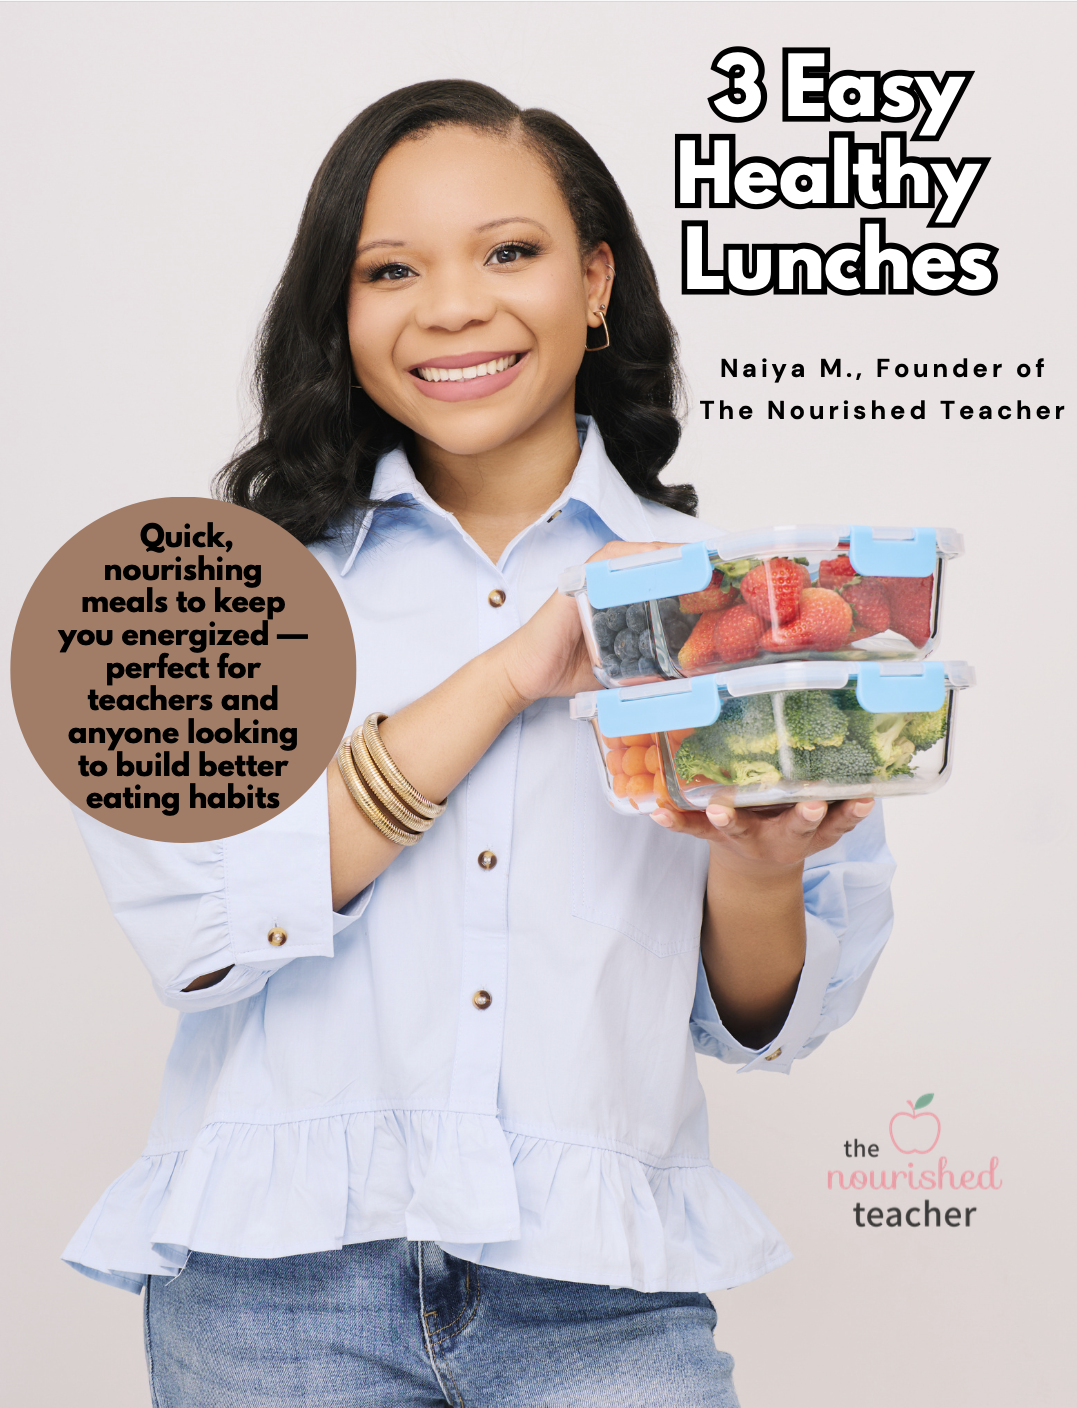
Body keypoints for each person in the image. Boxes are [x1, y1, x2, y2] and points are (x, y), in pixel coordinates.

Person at [64, 81, 894, 1406]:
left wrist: (757, 864)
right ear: (341, 309)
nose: (451, 306)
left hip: (601, 1297)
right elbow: (202, 925)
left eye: (510, 251)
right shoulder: (228, 593)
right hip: (275, 1300)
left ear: (598, 278)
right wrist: (514, 674)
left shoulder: (744, 605)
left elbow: (763, 1030)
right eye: (390, 268)